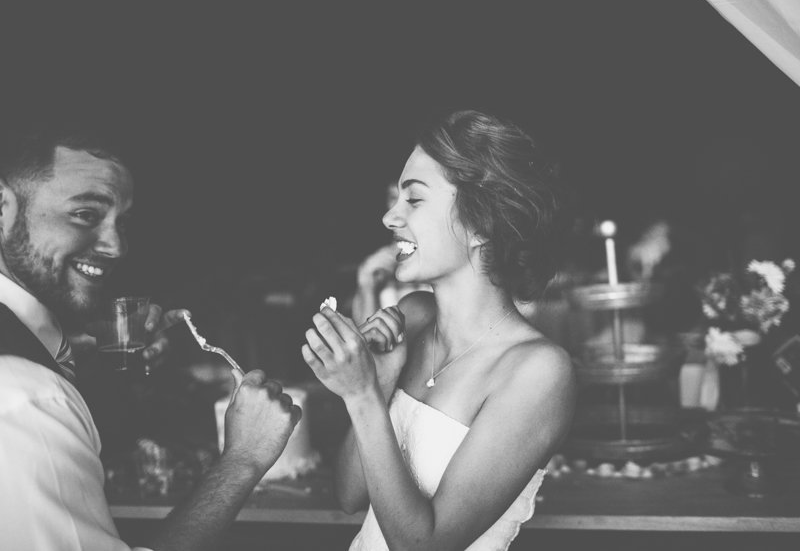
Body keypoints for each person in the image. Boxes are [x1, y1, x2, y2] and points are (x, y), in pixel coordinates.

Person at [0, 128, 302, 551]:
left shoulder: (38, 357)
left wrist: (105, 368)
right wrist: (244, 458)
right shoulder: (28, 396)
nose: (116, 246)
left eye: (121, 222)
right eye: (86, 214)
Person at [303, 110, 577, 550]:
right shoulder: (412, 316)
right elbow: (351, 496)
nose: (390, 217)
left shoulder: (539, 371)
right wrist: (383, 379)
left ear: (482, 224)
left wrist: (361, 393)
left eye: (413, 200)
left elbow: (423, 546)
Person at [351, 179, 430, 325]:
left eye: (412, 199)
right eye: (393, 197)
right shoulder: (375, 268)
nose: (395, 209)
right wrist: (367, 285)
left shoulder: (437, 258)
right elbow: (367, 338)